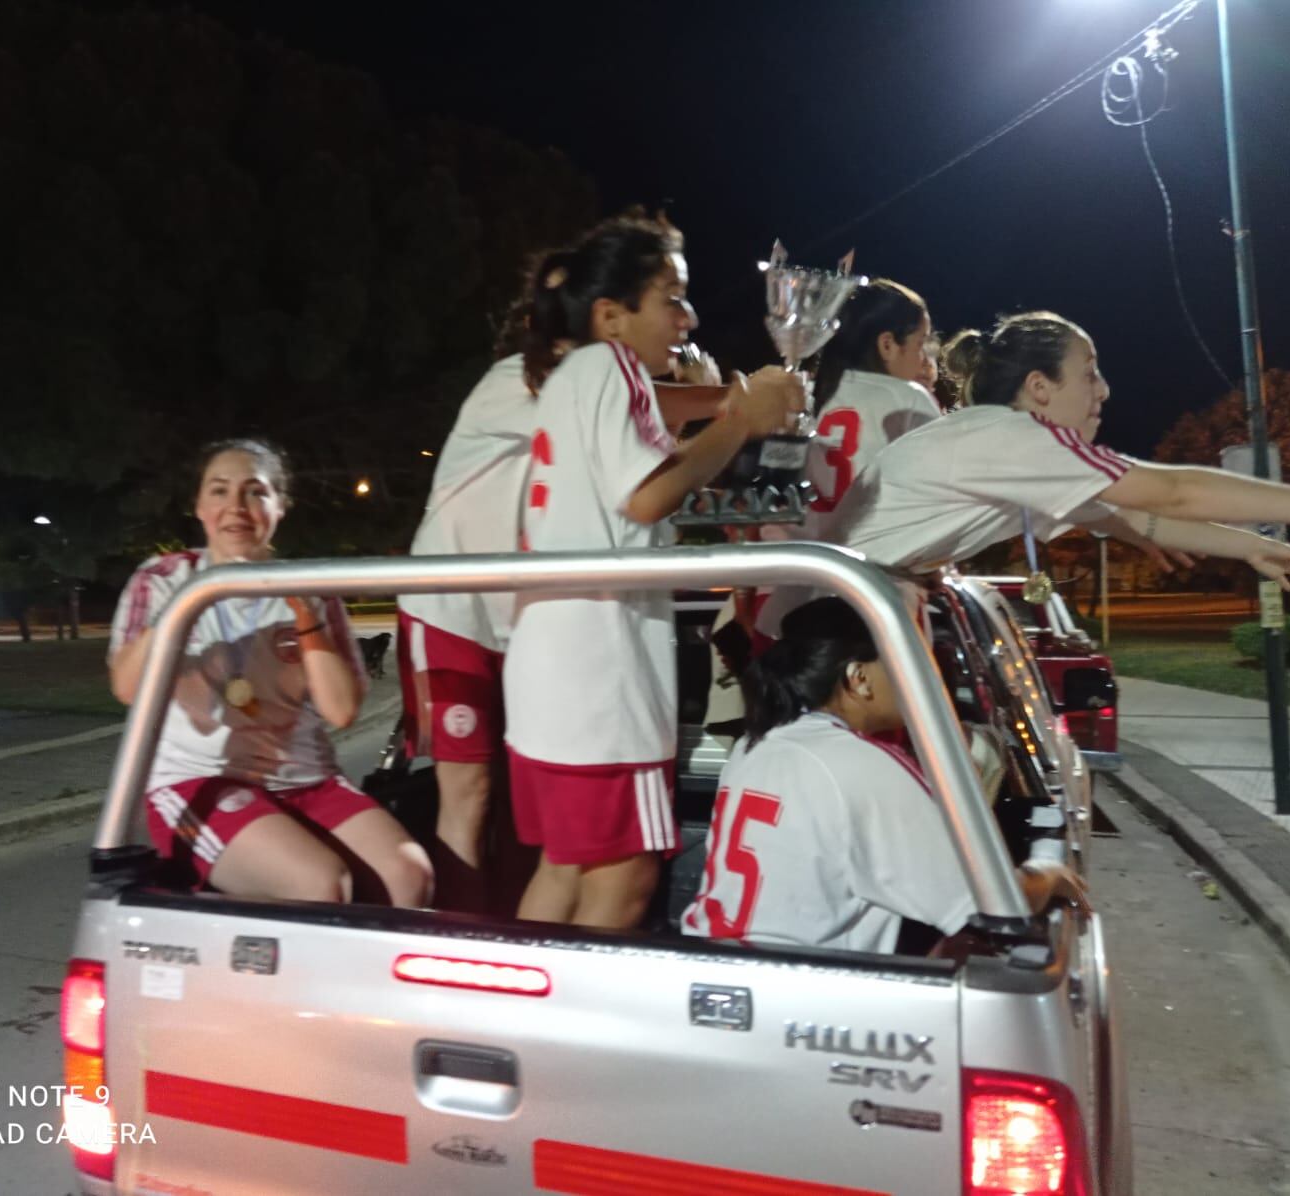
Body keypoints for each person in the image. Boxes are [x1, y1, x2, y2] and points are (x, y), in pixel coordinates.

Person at [504, 214, 805, 930]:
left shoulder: (580, 374)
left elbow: (661, 417)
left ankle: (528, 1025)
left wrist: (727, 404)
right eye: (672, 297)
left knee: (569, 868)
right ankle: (564, 1033)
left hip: (555, 669)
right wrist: (741, 424)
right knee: (627, 876)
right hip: (600, 677)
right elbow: (649, 493)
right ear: (613, 315)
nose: (688, 317)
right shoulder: (610, 367)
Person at [109, 438, 434, 907]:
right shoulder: (164, 581)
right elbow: (127, 687)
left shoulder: (308, 587)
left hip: (306, 780)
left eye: (255, 492)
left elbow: (341, 710)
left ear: (280, 506)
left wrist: (308, 617)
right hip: (199, 781)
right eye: (219, 491)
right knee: (321, 884)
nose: (236, 507)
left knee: (408, 875)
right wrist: (186, 605)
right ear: (200, 506)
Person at [834, 310, 1290, 585]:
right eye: (1089, 374)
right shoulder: (1013, 438)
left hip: (839, 607)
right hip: (829, 617)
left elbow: (1129, 518)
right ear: (1040, 387)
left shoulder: (998, 442)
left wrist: (1248, 546)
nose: (1104, 391)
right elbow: (1172, 493)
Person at [681, 597, 1088, 953]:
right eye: (905, 663)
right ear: (859, 678)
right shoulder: (864, 763)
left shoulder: (753, 745)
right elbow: (994, 904)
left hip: (713, 963)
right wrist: (1049, 873)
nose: (920, 680)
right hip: (802, 1001)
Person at [397, 250, 575, 909]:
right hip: (453, 612)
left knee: (528, 792)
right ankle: (462, 943)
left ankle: (518, 930)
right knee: (468, 790)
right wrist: (731, 402)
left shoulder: (609, 393)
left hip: (527, 624)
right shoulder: (514, 380)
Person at [758, 279, 944, 635]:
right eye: (920, 343)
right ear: (887, 344)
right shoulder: (908, 398)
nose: (924, 358)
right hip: (876, 598)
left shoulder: (813, 393)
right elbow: (937, 503)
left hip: (795, 595)